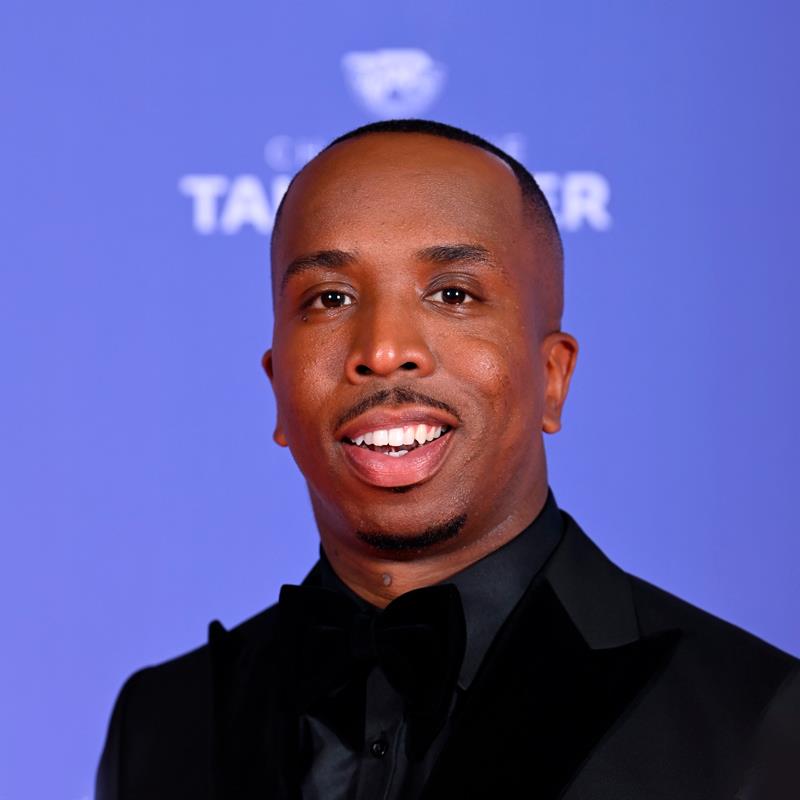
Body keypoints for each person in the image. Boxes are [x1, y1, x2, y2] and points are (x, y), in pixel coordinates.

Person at [95, 120, 798, 800]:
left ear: (552, 377)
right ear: (278, 388)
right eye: (330, 298)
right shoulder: (160, 725)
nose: (383, 350)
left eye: (452, 294)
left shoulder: (759, 720)